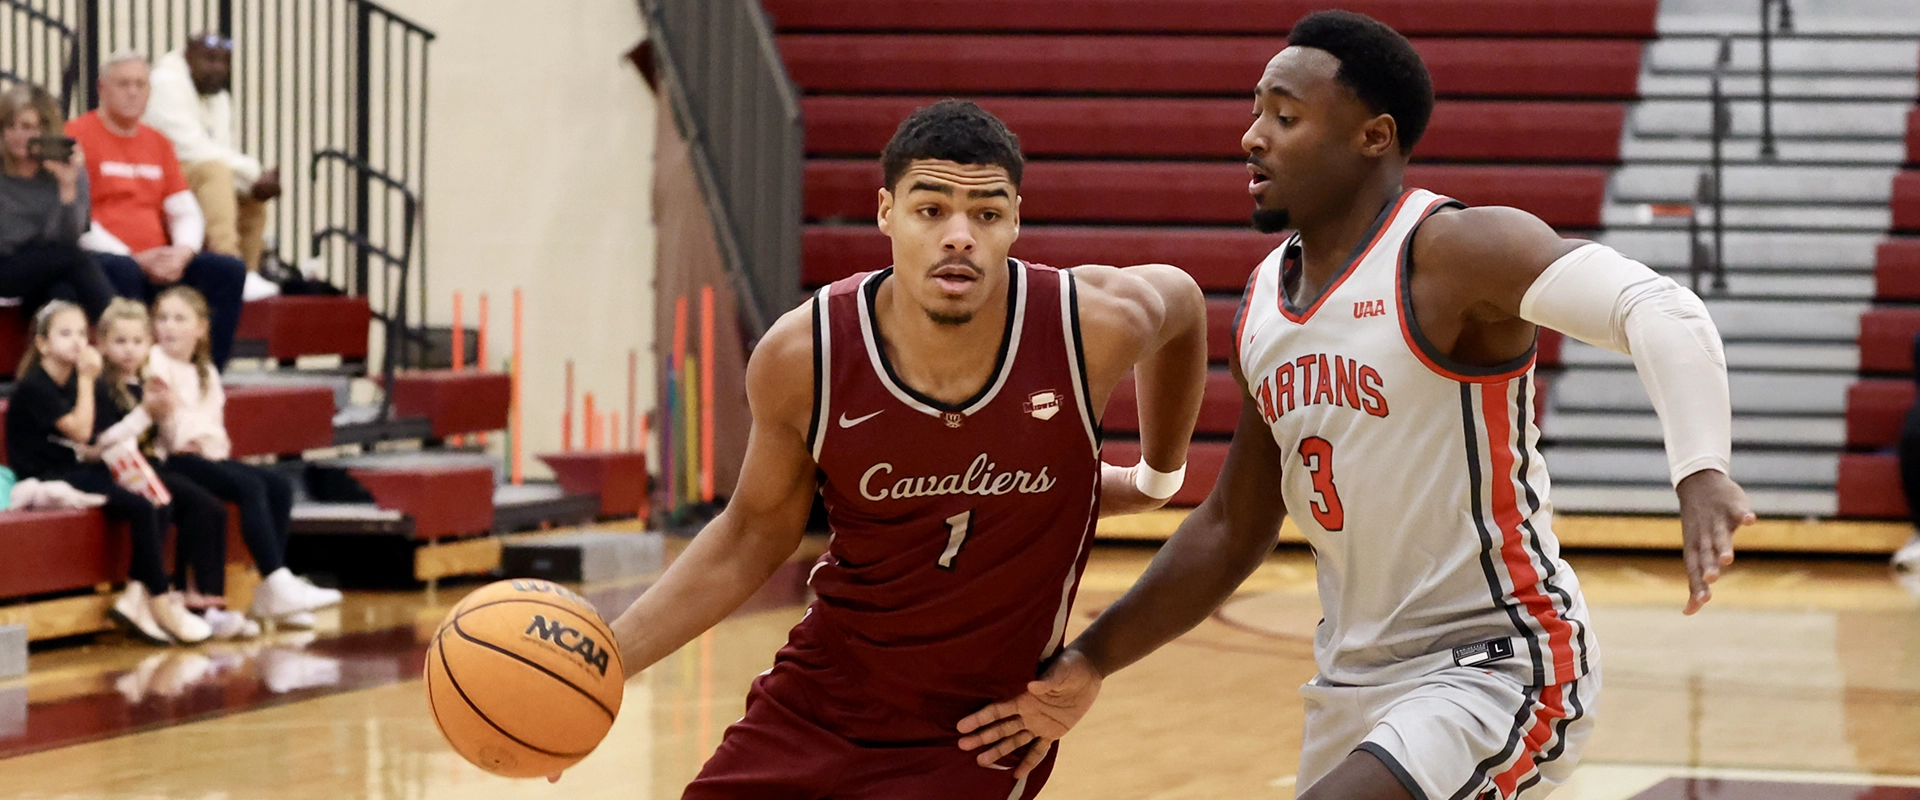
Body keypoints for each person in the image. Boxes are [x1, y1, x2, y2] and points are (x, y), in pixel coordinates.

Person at [957, 11, 1757, 800]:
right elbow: (1235, 526)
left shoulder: (1455, 253)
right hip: (1354, 679)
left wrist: (1701, 471)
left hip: (1497, 661)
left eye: (1285, 115)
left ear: (1374, 136)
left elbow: (1662, 310)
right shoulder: (1268, 299)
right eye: (1256, 110)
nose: (1252, 136)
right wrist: (1093, 659)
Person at [576, 100, 1209, 798]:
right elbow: (751, 532)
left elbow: (1182, 304)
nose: (960, 236)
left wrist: (1157, 476)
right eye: (931, 210)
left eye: (987, 215)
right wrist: (604, 665)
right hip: (819, 698)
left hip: (979, 731)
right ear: (885, 211)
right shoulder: (805, 355)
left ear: (1016, 221)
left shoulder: (1088, 326)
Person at [3, 300, 208, 645]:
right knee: (141, 506)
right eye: (65, 333)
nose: (77, 341)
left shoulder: (82, 382)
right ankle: (160, 601)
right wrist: (87, 379)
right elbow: (81, 431)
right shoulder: (36, 386)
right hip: (47, 474)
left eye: (82, 333)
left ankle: (135, 597)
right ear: (42, 344)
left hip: (81, 465)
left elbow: (96, 441)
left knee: (159, 498)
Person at [145, 286, 340, 625]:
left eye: (179, 319)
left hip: (204, 457)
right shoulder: (155, 363)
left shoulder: (205, 371)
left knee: (278, 485)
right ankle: (277, 578)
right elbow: (174, 433)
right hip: (172, 459)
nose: (169, 327)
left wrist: (202, 440)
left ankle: (271, 591)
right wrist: (198, 437)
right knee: (248, 487)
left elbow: (217, 437)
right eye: (162, 318)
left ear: (201, 328)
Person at [66, 50, 246, 368]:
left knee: (227, 269)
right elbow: (76, 218)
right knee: (122, 269)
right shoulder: (77, 136)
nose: (133, 92)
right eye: (123, 84)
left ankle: (207, 372)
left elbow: (184, 209)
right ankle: (137, 371)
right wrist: (133, 257)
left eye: (140, 84)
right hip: (109, 258)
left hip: (162, 259)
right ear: (101, 89)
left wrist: (183, 252)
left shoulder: (158, 142)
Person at [90, 297, 256, 639]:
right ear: (103, 345)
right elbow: (103, 443)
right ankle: (158, 598)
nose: (129, 351)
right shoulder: (102, 387)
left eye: (137, 342)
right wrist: (147, 413)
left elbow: (163, 435)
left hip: (148, 466)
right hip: (115, 470)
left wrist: (161, 412)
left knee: (206, 506)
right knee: (166, 500)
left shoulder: (143, 383)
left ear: (148, 344)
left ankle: (198, 600)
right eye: (120, 342)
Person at [145, 32, 281, 277]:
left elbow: (219, 151)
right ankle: (227, 260)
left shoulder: (218, 97)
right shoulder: (164, 82)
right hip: (156, 175)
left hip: (192, 174)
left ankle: (247, 275)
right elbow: (192, 148)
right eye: (209, 59)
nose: (218, 68)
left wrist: (253, 184)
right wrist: (254, 173)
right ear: (188, 56)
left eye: (224, 61)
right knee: (214, 172)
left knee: (251, 198)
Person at [0, 83, 117, 320]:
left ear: (47, 129)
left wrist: (67, 187)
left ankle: (53, 354)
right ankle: (119, 326)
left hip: (49, 269)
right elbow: (7, 238)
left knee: (62, 293)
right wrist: (43, 244)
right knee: (75, 258)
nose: (17, 135)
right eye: (10, 127)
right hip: (5, 267)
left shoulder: (67, 170)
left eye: (28, 127)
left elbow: (72, 234)